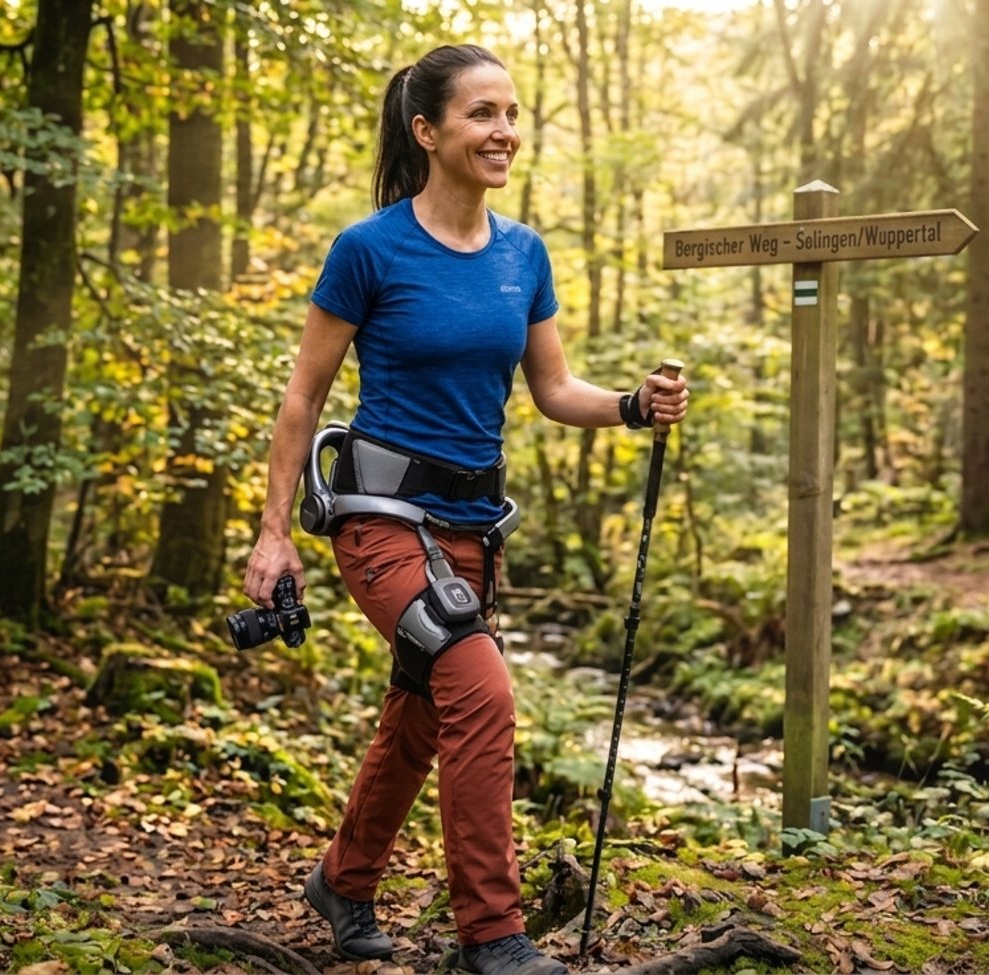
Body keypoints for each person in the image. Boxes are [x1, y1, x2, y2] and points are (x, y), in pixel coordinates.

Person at [242, 43, 689, 975]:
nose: (505, 131)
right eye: (483, 113)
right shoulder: (369, 250)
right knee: (480, 691)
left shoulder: (524, 253)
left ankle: (344, 880)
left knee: (422, 710)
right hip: (378, 515)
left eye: (513, 113)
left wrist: (632, 405)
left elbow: (554, 387)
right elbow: (302, 398)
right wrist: (274, 533)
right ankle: (493, 932)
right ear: (427, 130)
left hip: (473, 531)